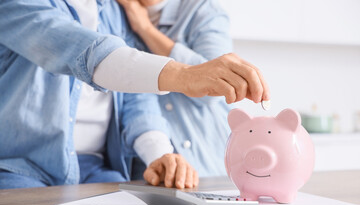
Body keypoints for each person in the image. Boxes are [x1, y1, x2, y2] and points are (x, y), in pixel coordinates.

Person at [0, 0, 269, 189]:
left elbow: (135, 97)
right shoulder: (19, 3)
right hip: (23, 168)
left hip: (98, 170)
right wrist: (184, 75)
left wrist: (160, 154)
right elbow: (81, 50)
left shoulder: (116, 12)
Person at [117, 0, 269, 176]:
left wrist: (145, 29)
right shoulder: (112, 12)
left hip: (207, 164)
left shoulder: (202, 10)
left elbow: (214, 91)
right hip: (145, 168)